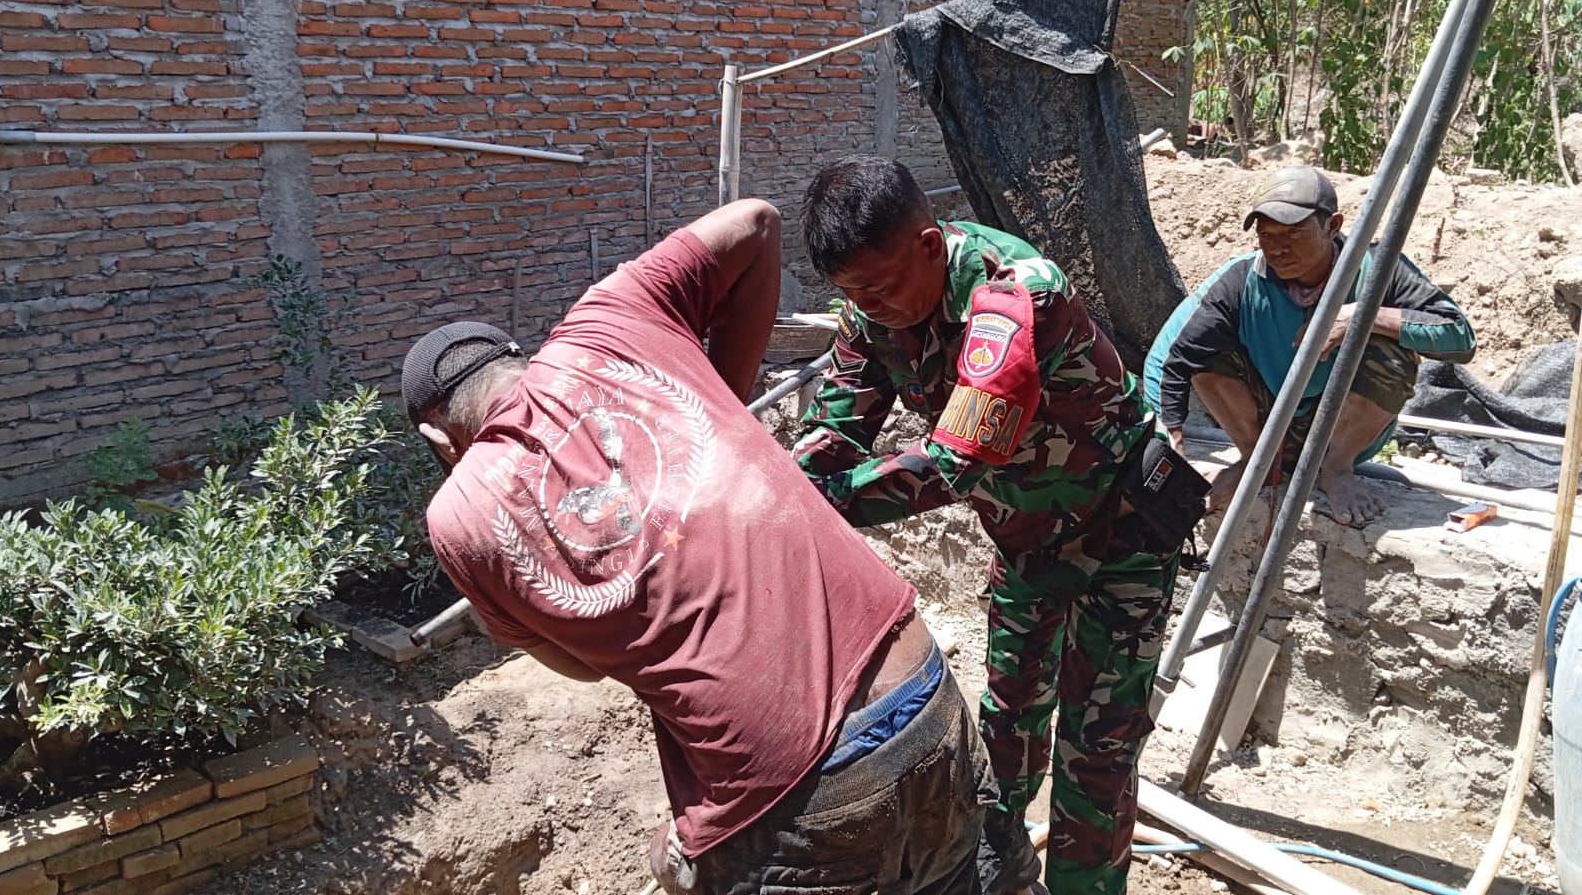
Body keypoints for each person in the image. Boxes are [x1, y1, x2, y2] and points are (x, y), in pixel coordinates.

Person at [399, 198, 994, 895]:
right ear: (516, 359)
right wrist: (721, 406)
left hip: (800, 795)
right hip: (925, 694)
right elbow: (757, 222)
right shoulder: (609, 318)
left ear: (438, 439)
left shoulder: (459, 518)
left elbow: (582, 668)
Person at [792, 155, 1182, 895]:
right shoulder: (871, 312)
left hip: (1120, 538)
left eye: (880, 287)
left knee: (1097, 751)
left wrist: (825, 500)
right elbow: (835, 427)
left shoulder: (1013, 295)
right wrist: (787, 483)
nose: (870, 307)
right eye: (852, 294)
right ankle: (999, 870)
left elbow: (959, 458)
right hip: (1027, 541)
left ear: (928, 246)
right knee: (1008, 725)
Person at [1144, 165, 1477, 525]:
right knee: (1207, 352)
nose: (1278, 248)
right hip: (1268, 429)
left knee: (1391, 350)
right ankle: (1256, 462)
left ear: (1333, 225)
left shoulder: (1379, 269)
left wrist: (1363, 316)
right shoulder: (1241, 281)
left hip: (1340, 428)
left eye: (1294, 232)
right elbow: (1176, 360)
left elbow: (1459, 338)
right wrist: (1172, 438)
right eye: (1266, 235)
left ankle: (1335, 469)